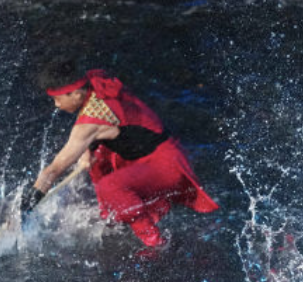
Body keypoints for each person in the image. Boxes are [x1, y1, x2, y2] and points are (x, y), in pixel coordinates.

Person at [20, 66, 218, 248]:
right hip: (158, 150)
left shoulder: (90, 123)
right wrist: (88, 149)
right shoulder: (95, 81)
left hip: (166, 165)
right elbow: (111, 125)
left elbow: (54, 169)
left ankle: (155, 241)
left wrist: (26, 205)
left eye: (58, 98)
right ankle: (113, 215)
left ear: (77, 93)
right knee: (97, 156)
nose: (56, 105)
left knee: (110, 186)